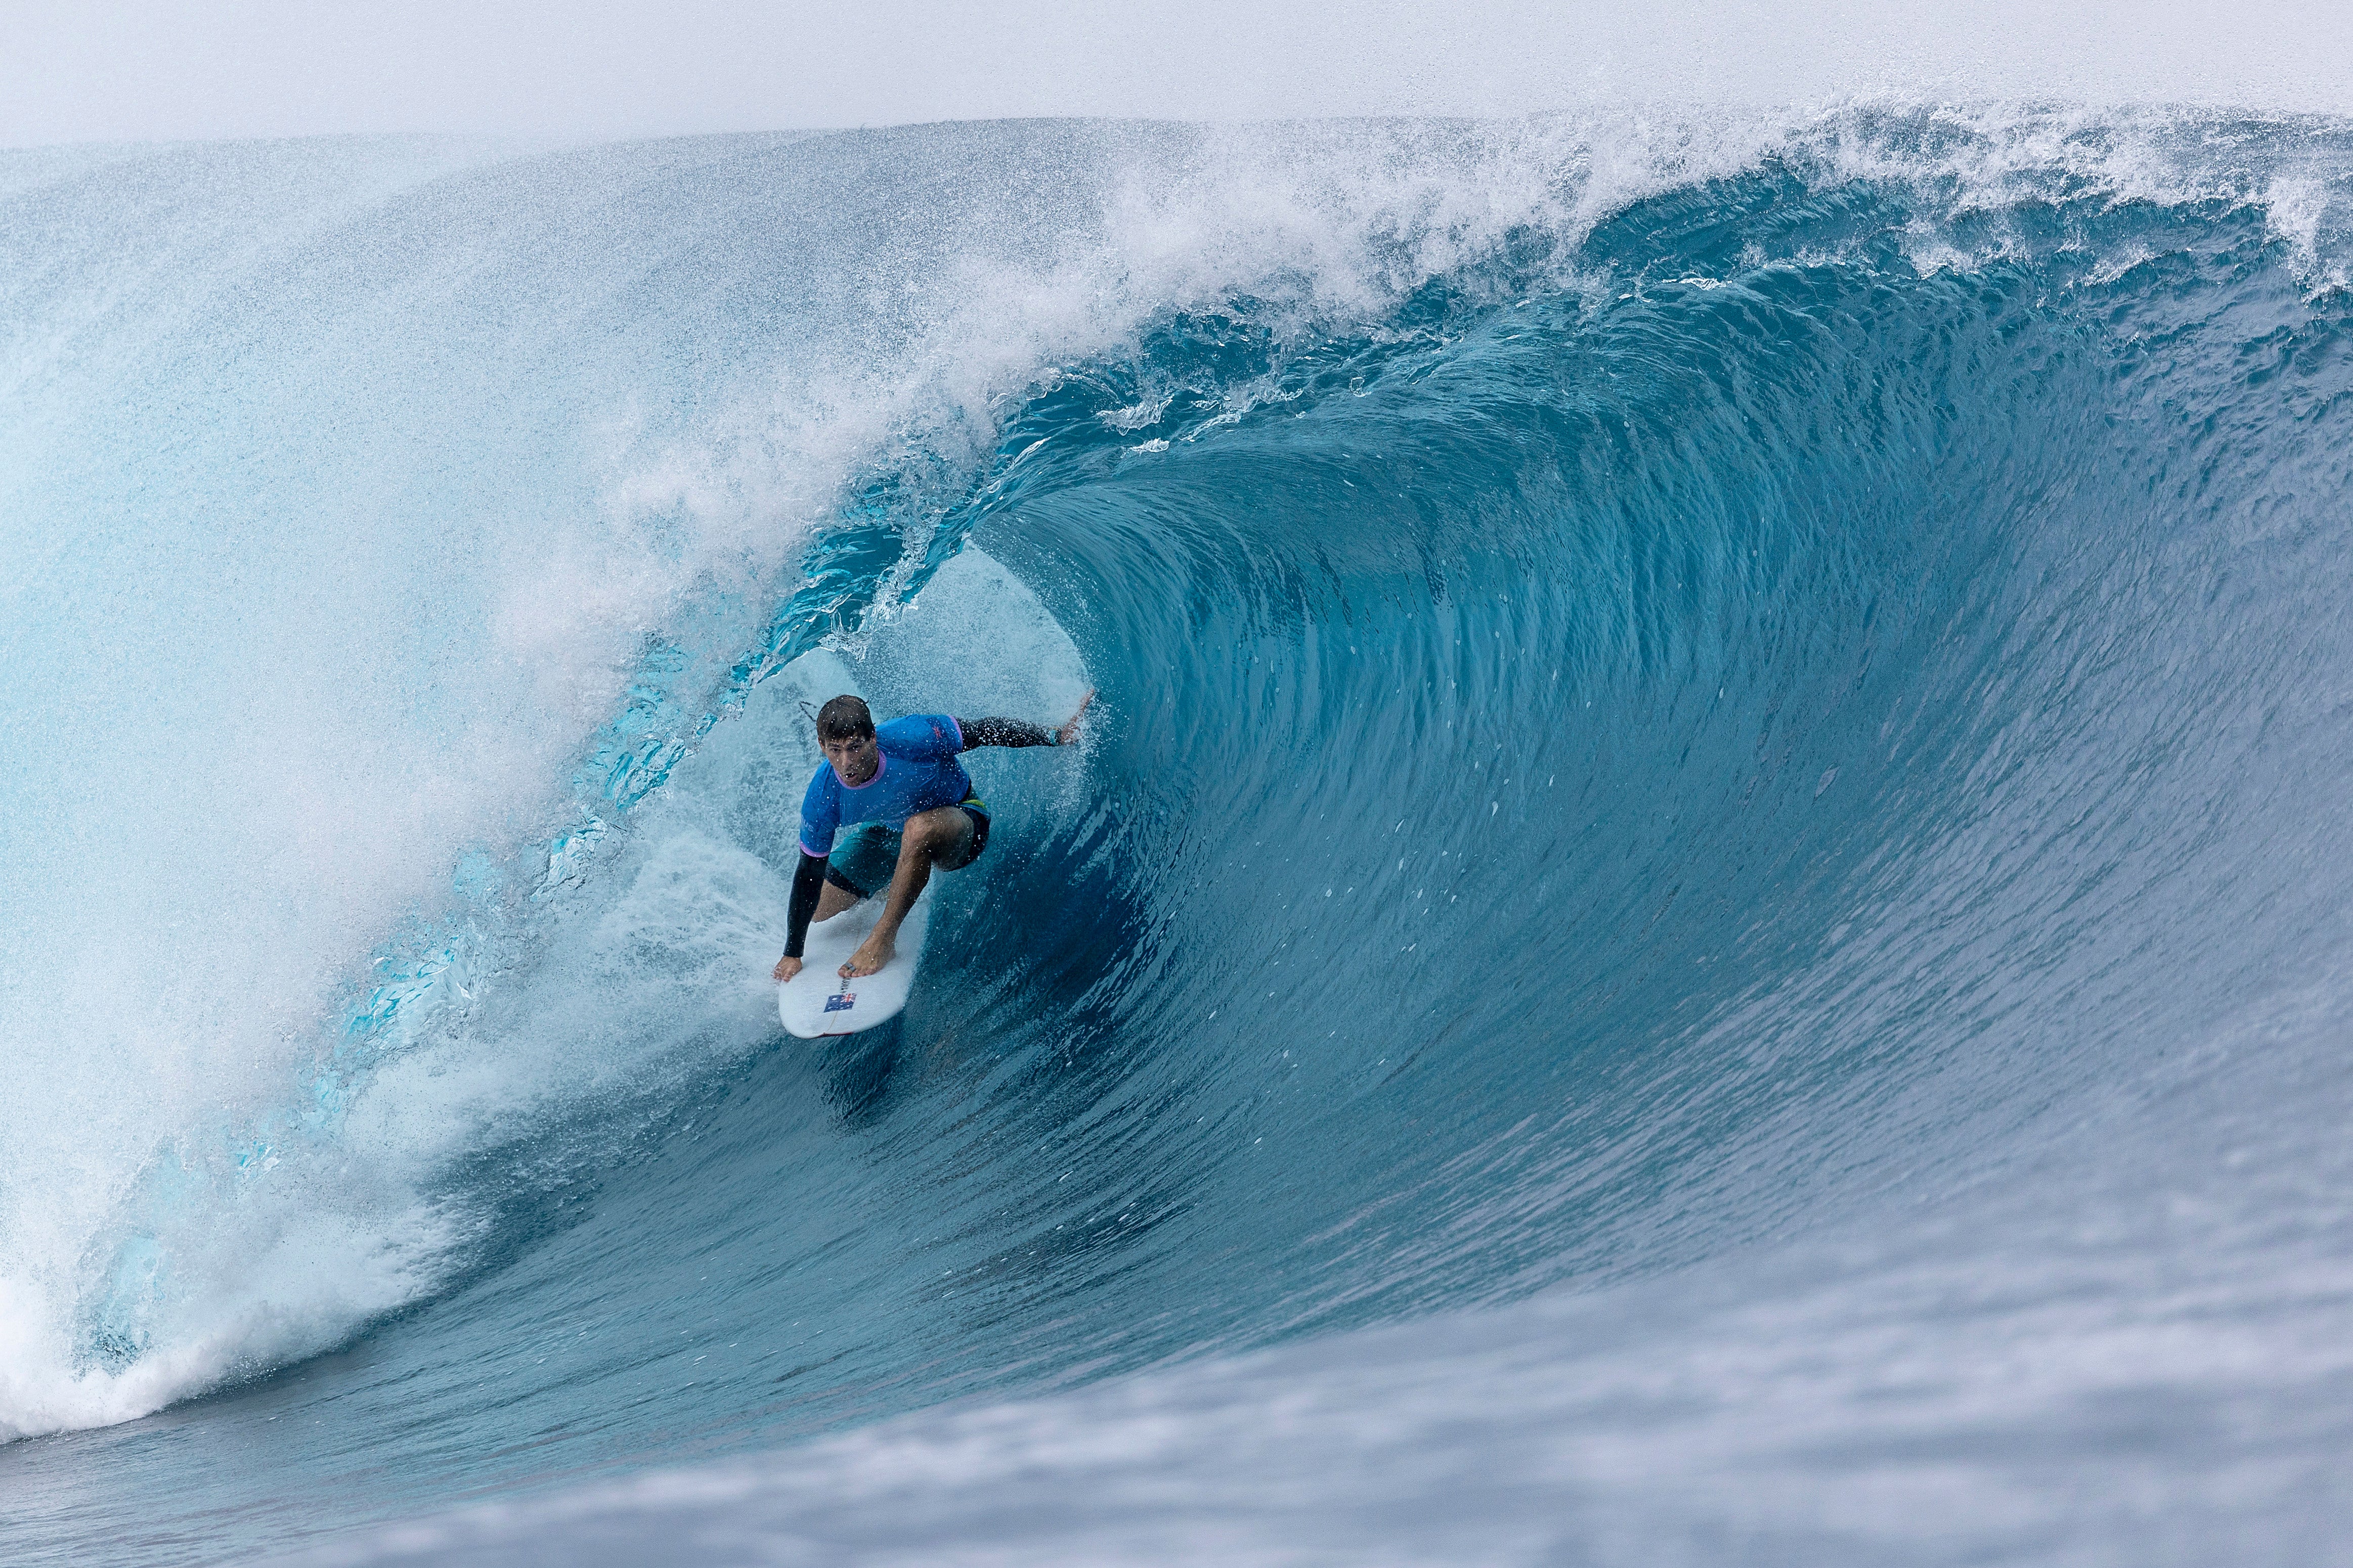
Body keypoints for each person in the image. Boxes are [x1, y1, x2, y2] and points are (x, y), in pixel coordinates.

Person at [771, 689, 1096, 986]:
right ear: (822, 747)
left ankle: (884, 938)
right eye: (835, 750)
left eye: (855, 747)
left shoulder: (914, 737)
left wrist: (1055, 736)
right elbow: (808, 874)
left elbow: (984, 730)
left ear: (873, 737)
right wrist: (793, 951)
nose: (847, 763)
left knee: (919, 829)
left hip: (961, 817)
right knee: (818, 910)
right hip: (890, 832)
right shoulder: (823, 796)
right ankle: (892, 880)